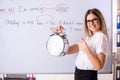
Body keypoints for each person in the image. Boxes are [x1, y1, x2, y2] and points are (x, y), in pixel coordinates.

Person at [55, 8, 109, 80]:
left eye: (94, 20)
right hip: (78, 73)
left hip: (87, 76)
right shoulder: (88, 38)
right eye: (88, 21)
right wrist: (60, 35)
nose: (91, 23)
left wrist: (86, 49)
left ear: (100, 20)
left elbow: (99, 66)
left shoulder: (101, 37)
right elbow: (67, 50)